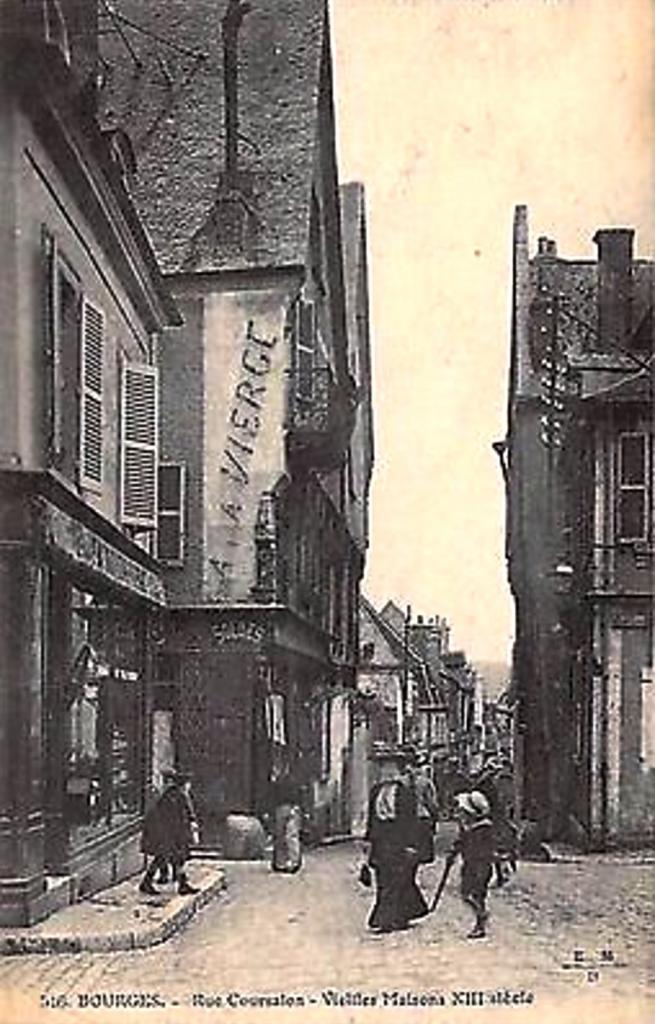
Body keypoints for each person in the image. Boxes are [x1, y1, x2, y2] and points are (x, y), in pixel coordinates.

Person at [363, 749, 428, 933]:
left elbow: (410, 820)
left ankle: (392, 918)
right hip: (381, 841)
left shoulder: (405, 792)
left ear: (398, 770)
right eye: (383, 768)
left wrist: (411, 844)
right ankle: (392, 916)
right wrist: (368, 841)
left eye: (390, 768)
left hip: (398, 839)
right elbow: (372, 819)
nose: (386, 772)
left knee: (399, 878)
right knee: (383, 879)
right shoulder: (376, 791)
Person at [139, 770, 200, 896]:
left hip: (167, 834)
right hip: (170, 834)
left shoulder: (171, 794)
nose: (189, 786)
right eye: (188, 784)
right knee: (169, 858)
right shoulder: (179, 796)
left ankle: (181, 884)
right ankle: (148, 883)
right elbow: (181, 817)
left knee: (171, 859)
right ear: (184, 784)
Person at [447, 789, 494, 939]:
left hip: (480, 866)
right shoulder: (468, 827)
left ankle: (481, 921)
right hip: (470, 865)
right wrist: (454, 852)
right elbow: (461, 843)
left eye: (462, 811)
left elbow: (483, 850)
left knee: (475, 894)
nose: (459, 814)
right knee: (467, 894)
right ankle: (481, 917)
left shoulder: (483, 828)